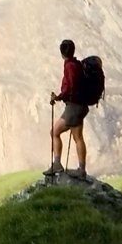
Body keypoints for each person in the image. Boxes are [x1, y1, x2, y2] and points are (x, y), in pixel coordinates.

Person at [48, 39, 90, 179]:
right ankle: (81, 170)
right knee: (78, 137)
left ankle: (58, 164)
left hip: (74, 106)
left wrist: (58, 97)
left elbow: (70, 87)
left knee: (54, 132)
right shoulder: (77, 65)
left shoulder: (70, 66)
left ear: (62, 53)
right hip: (80, 105)